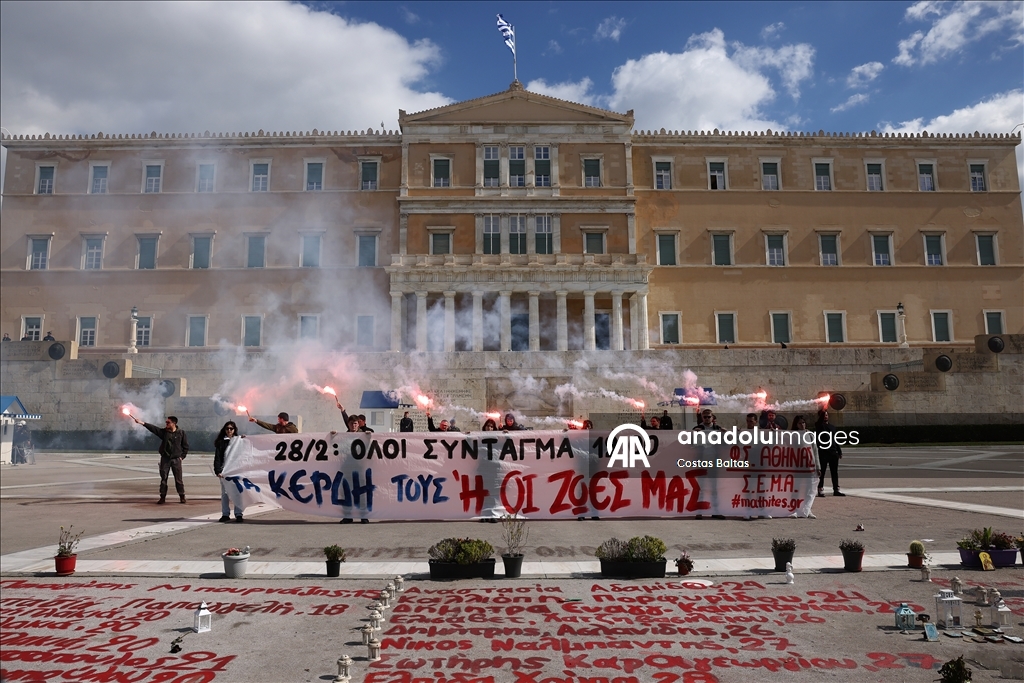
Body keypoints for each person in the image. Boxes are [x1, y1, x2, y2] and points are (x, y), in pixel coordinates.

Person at [133, 415, 189, 504]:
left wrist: (182, 457)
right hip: (165, 459)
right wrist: (142, 423)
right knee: (163, 479)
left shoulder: (181, 433)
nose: (166, 424)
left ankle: (182, 496)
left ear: (174, 423)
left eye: (168, 422)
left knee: (178, 480)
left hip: (176, 460)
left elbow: (185, 446)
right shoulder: (164, 433)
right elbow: (154, 429)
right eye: (166, 422)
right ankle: (162, 497)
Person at [214, 421, 244, 523]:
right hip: (225, 470)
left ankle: (238, 513)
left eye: (231, 429)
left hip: (236, 470)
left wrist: (246, 440)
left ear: (234, 430)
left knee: (237, 493)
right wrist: (218, 470)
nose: (229, 431)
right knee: (225, 493)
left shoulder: (239, 441)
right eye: (227, 429)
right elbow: (217, 457)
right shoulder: (221, 442)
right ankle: (225, 514)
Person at [815, 409, 844, 496]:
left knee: (834, 472)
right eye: (824, 415)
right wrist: (823, 409)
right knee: (822, 472)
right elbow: (819, 422)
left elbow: (834, 439)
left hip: (833, 452)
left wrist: (839, 451)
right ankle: (820, 489)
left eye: (827, 415)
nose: (826, 416)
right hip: (823, 452)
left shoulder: (832, 427)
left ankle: (836, 489)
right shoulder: (819, 426)